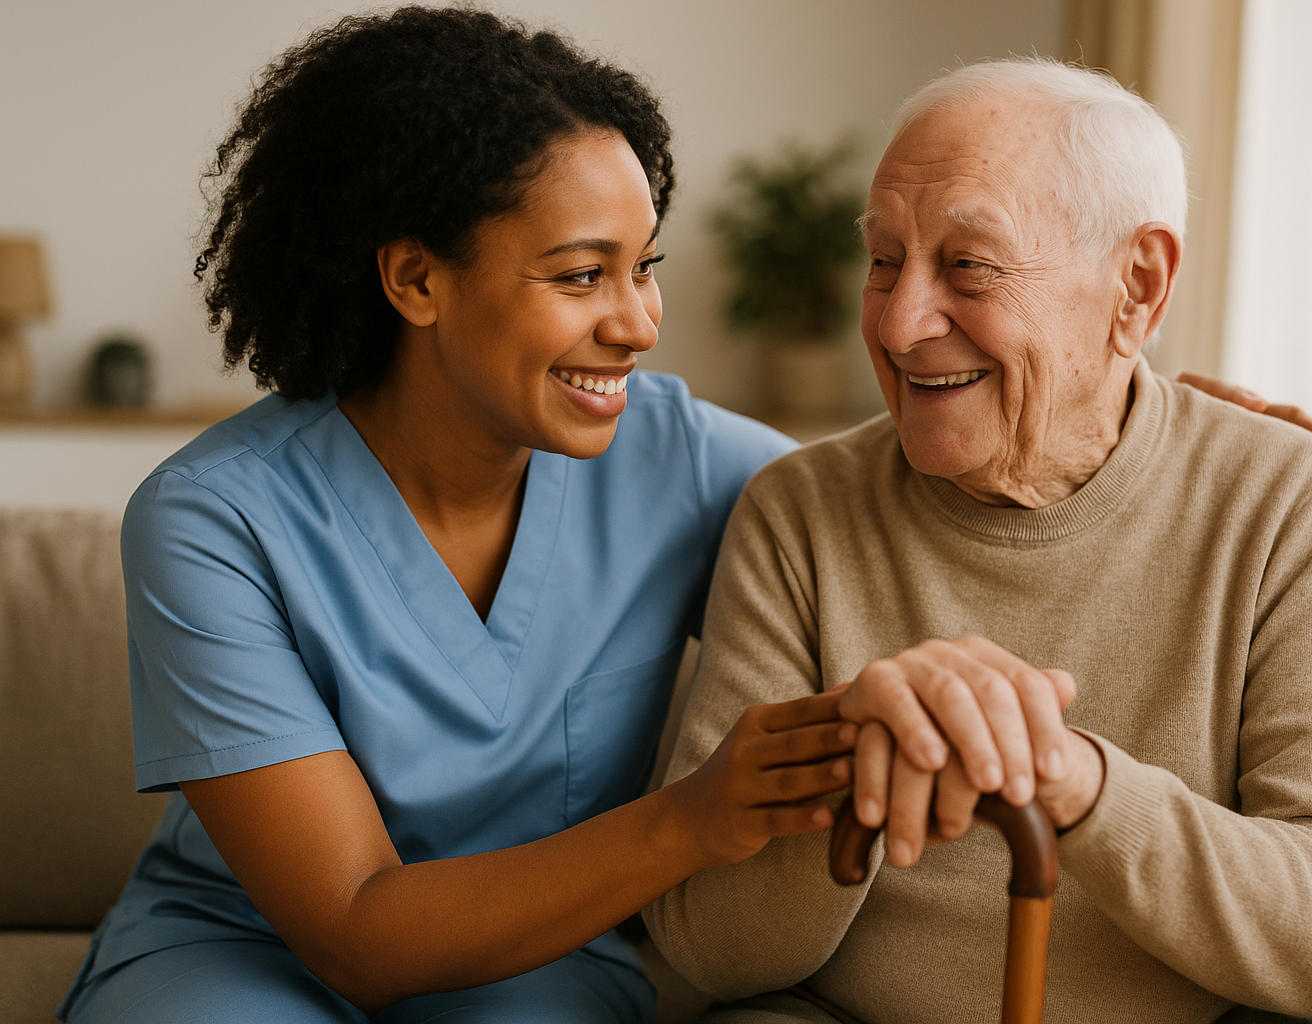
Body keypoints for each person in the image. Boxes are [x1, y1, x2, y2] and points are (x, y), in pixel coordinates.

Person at [59, 10, 859, 1023]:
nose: (639, 323)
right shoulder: (212, 522)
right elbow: (352, 925)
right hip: (245, 945)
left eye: (644, 265)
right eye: (580, 275)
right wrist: (694, 820)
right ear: (416, 278)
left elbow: (873, 538)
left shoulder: (683, 458)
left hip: (539, 956)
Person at [645, 58, 1312, 1024]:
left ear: (1137, 286)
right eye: (884, 260)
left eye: (968, 265)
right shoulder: (797, 512)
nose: (897, 322)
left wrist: (1076, 780)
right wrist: (857, 758)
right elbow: (709, 950)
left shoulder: (1291, 503)